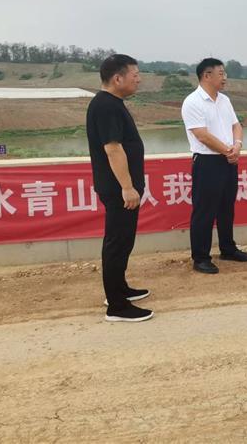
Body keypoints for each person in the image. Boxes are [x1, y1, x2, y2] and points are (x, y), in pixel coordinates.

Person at [86, 54, 153, 322]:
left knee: (124, 240)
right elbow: (113, 149)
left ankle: (119, 289)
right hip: (118, 189)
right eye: (135, 75)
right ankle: (116, 306)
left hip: (121, 187)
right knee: (116, 242)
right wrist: (127, 187)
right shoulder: (106, 106)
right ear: (117, 78)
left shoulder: (112, 103)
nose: (139, 80)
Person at [181, 58, 247, 274]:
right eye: (221, 73)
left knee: (226, 207)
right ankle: (201, 257)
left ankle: (228, 249)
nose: (225, 78)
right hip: (207, 162)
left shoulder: (224, 100)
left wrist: (237, 145)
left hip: (228, 160)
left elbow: (236, 125)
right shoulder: (192, 102)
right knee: (204, 211)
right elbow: (202, 135)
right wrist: (228, 151)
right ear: (207, 75)